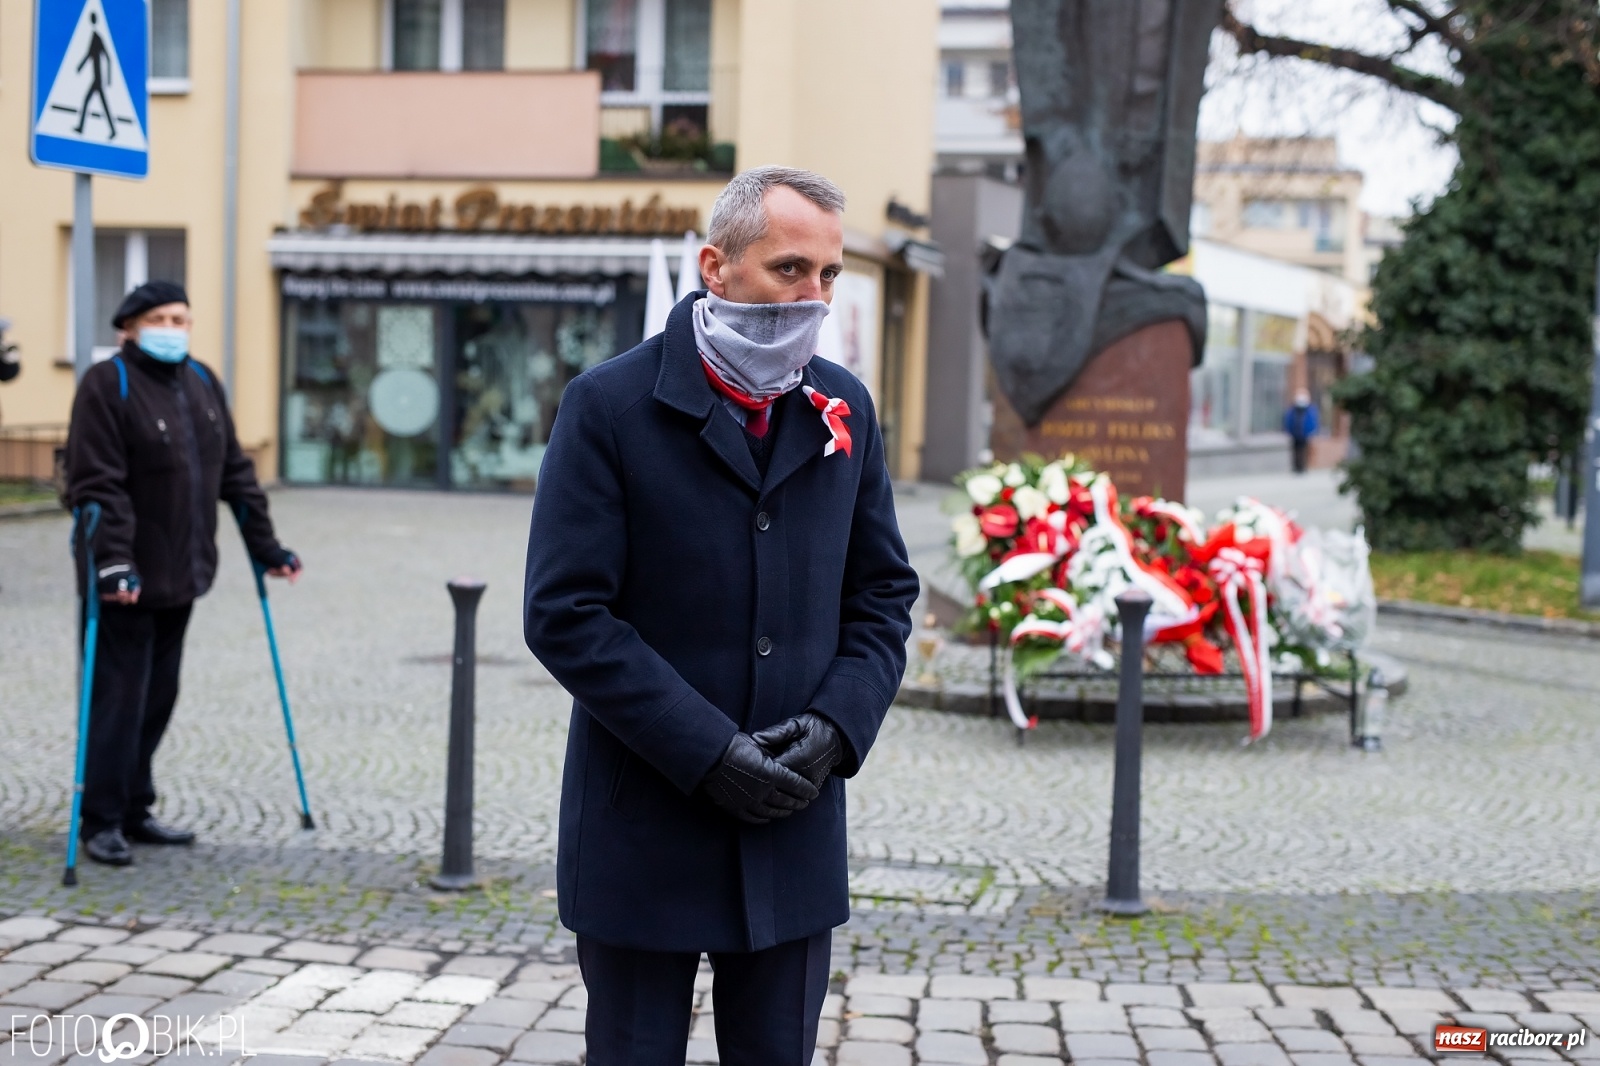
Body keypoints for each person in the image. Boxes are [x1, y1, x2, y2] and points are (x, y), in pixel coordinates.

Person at [523, 167, 918, 1064]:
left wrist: (835, 727)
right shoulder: (609, 407)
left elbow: (883, 593)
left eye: (828, 276)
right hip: (643, 825)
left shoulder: (842, 406)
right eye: (789, 269)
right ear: (716, 265)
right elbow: (565, 613)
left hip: (793, 818)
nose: (812, 296)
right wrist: (704, 750)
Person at [65, 280, 301, 867]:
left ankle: (136, 807)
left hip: (182, 573)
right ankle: (100, 818)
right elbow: (97, 486)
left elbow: (235, 473)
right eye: (162, 318)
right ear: (130, 327)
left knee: (157, 696)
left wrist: (267, 547)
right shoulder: (107, 385)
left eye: (182, 318)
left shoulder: (200, 383)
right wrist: (115, 563)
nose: (174, 329)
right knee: (116, 699)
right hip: (124, 579)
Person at [1284, 388, 1320, 474]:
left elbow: (1312, 421)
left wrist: (1312, 431)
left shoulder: (1309, 410)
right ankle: (1296, 466)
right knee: (1296, 450)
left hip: (1305, 434)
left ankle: (1303, 466)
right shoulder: (1293, 410)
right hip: (1295, 434)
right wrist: (1289, 430)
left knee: (1304, 450)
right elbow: (1288, 420)